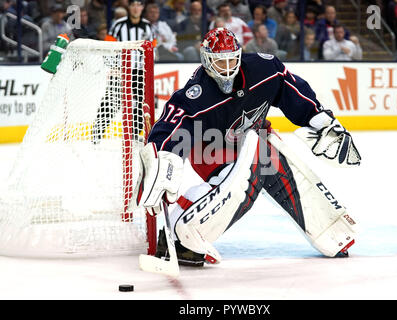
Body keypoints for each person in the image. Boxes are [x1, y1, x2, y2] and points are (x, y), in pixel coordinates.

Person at [132, 28, 361, 267]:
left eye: (232, 60)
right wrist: (163, 156)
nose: (228, 68)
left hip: (256, 139)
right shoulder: (197, 93)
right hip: (210, 150)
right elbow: (173, 122)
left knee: (276, 167)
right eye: (221, 63)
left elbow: (292, 89)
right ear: (206, 61)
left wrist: (321, 120)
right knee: (245, 183)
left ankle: (329, 229)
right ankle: (181, 234)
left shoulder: (265, 69)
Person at [93, 0, 153, 144]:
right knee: (111, 102)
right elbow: (108, 48)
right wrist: (113, 67)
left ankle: (133, 135)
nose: (136, 8)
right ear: (129, 7)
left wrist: (147, 69)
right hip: (120, 70)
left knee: (141, 102)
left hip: (139, 71)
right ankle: (97, 134)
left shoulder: (148, 26)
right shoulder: (118, 25)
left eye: (139, 5)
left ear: (143, 7)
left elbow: (152, 50)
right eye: (133, 5)